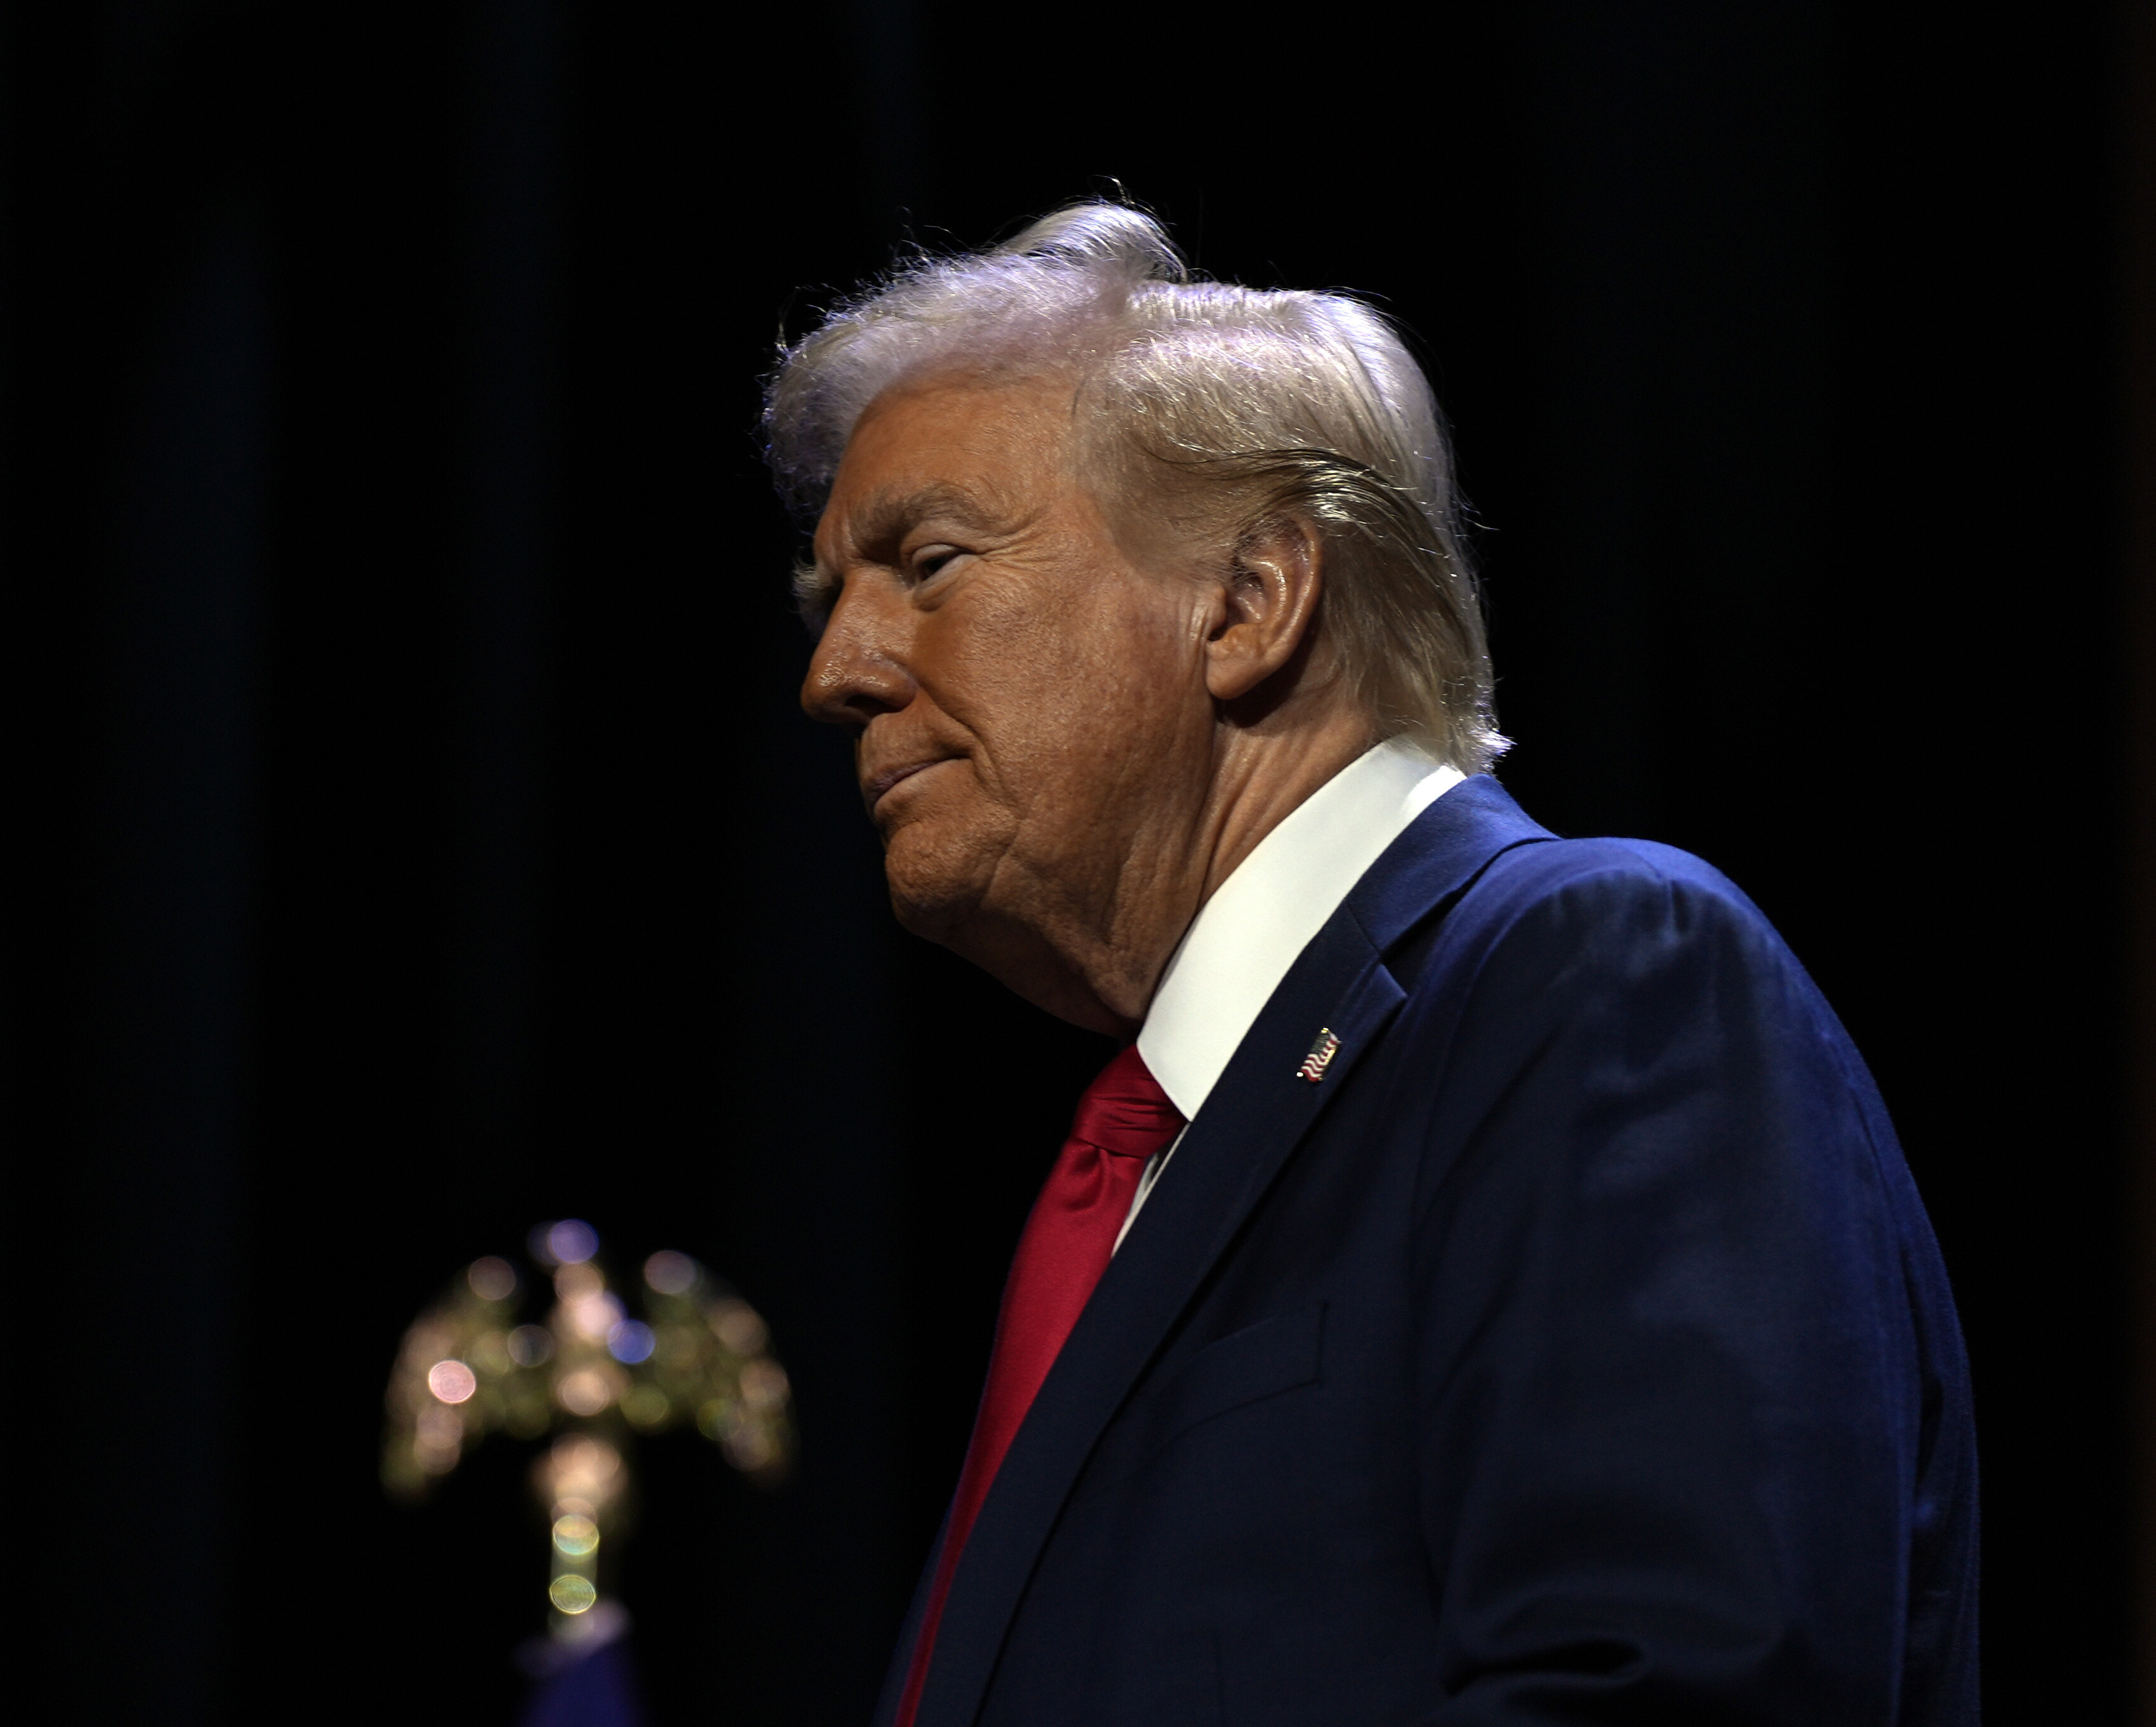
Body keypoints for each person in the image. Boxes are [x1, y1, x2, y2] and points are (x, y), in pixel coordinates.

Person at [763, 204, 1977, 1727]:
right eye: (828, 602)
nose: (836, 673)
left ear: (1248, 600)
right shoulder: (1160, 1147)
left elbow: (1667, 1687)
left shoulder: (1594, 976)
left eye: (926, 562)